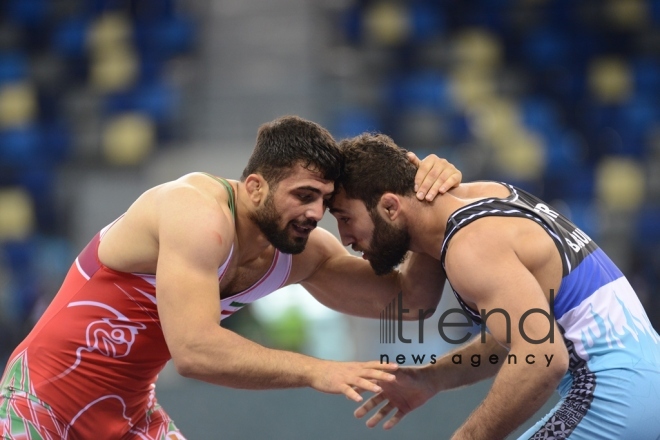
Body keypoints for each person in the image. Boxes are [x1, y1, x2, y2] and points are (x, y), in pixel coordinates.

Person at [0, 116, 461, 439]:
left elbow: (410, 301)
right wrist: (316, 369)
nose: (315, 214)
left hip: (127, 414)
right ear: (255, 187)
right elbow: (195, 352)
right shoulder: (195, 212)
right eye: (303, 195)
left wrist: (428, 202)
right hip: (41, 401)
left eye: (324, 201)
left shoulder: (299, 251)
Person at [329, 133, 660, 439]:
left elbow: (542, 356)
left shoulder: (470, 246)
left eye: (345, 218)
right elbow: (521, 335)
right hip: (645, 382)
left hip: (614, 396)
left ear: (390, 206)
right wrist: (432, 378)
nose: (344, 238)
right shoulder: (489, 194)